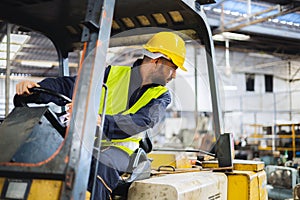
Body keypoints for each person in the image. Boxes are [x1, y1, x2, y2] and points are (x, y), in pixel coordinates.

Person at [15, 31, 187, 199]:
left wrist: (101, 121)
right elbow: (71, 86)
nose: (174, 75)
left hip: (122, 153)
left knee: (99, 165)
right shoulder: (111, 74)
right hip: (88, 144)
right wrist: (35, 89)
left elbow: (143, 120)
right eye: (173, 68)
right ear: (157, 62)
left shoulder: (161, 95)